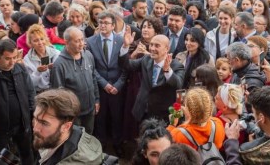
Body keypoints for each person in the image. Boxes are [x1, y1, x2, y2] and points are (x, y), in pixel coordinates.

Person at [120, 30, 185, 123]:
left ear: (167, 48)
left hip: (163, 116)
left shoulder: (176, 66)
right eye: (151, 45)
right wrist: (125, 46)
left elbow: (178, 85)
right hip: (143, 111)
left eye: (157, 45)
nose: (152, 48)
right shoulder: (146, 59)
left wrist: (167, 71)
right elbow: (127, 65)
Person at [86, 12, 127, 155]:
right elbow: (91, 67)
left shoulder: (121, 41)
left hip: (117, 88)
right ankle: (101, 145)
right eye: (100, 22)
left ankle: (118, 144)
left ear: (113, 25)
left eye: (106, 23)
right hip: (100, 87)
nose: (102, 25)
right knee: (100, 119)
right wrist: (104, 84)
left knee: (117, 118)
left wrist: (118, 85)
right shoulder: (90, 41)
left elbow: (125, 66)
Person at [33, 89, 105, 164]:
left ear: (66, 127)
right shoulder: (58, 136)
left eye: (44, 123)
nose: (35, 128)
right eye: (35, 119)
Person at [50, 26, 100, 135]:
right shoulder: (59, 65)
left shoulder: (88, 55)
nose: (81, 43)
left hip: (90, 109)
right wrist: (67, 114)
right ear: (66, 42)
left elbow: (93, 78)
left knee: (88, 137)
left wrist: (96, 99)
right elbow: (58, 93)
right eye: (77, 41)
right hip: (73, 114)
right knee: (75, 140)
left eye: (82, 39)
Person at [23, 24, 60, 93]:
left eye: (42, 39)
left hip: (55, 92)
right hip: (39, 93)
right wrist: (38, 72)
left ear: (45, 39)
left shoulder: (56, 53)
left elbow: (62, 76)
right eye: (36, 40)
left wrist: (55, 68)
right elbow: (30, 84)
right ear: (30, 43)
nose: (40, 43)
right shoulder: (27, 59)